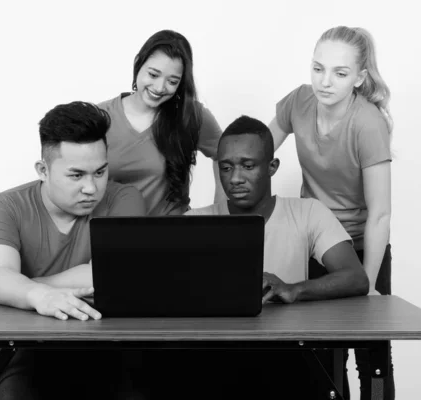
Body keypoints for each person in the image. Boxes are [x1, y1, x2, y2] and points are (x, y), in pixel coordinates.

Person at [134, 115, 368, 399]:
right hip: (213, 358)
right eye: (226, 167)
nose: (235, 178)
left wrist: (294, 289)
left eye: (248, 166)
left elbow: (355, 277)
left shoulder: (308, 212)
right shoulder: (194, 221)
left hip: (286, 358)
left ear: (272, 167)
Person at [0, 101, 146, 399]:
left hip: (108, 345)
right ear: (43, 169)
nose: (92, 188)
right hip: (27, 349)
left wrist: (25, 288)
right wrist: (37, 295)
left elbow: (113, 275)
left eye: (100, 172)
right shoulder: (4, 207)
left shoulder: (125, 199)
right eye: (76, 175)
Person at [268, 25, 395, 399]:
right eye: (317, 68)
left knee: (370, 353)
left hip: (359, 246)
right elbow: (255, 151)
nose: (325, 82)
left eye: (339, 74)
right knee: (323, 353)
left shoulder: (368, 123)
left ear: (359, 78)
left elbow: (380, 214)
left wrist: (367, 283)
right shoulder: (298, 103)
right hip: (317, 245)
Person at [98, 29, 224, 216]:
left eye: (172, 81)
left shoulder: (191, 116)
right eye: (153, 75)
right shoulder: (100, 117)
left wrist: (221, 212)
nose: (159, 88)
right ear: (138, 64)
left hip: (172, 237)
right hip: (111, 236)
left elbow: (227, 156)